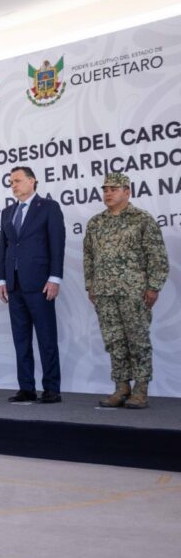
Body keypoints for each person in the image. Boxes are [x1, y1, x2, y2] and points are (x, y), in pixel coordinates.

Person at [83, 172, 169, 409]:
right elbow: (89, 257)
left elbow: (157, 256)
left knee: (137, 340)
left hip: (134, 291)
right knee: (114, 340)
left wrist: (153, 287)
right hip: (105, 293)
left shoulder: (142, 219)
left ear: (127, 192)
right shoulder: (96, 223)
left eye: (114, 188)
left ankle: (141, 389)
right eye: (105, 189)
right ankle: (122, 387)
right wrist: (91, 285)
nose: (108, 193)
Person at [0, 166, 66, 404]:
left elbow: (57, 244)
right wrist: (2, 279)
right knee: (21, 340)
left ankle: (51, 388)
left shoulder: (48, 208)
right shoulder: (7, 212)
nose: (13, 185)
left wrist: (55, 277)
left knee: (47, 338)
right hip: (14, 286)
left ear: (32, 181)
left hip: (40, 284)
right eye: (11, 182)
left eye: (17, 180)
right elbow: (4, 249)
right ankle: (26, 388)